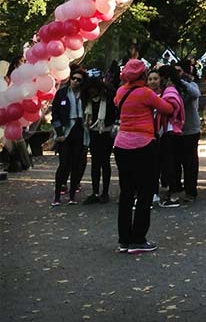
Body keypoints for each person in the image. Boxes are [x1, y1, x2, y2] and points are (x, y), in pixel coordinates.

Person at [114, 59, 175, 254]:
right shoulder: (146, 93)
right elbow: (168, 109)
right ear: (143, 75)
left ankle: (124, 240)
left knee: (126, 193)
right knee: (145, 192)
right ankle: (138, 239)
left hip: (121, 145)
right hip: (144, 145)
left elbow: (117, 103)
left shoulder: (120, 92)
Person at [51, 68, 89, 206]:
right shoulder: (62, 93)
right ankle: (57, 196)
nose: (75, 81)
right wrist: (59, 132)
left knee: (76, 164)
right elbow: (55, 113)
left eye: (79, 80)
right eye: (74, 78)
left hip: (80, 129)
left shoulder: (85, 94)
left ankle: (72, 195)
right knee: (63, 164)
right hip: (66, 130)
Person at [150, 66, 185, 208]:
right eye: (150, 79)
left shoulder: (168, 93)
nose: (154, 81)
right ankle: (166, 192)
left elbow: (171, 109)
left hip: (167, 132)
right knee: (162, 164)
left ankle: (173, 193)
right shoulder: (168, 91)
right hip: (161, 132)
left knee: (168, 164)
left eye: (157, 78)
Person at [81, 75, 115, 205]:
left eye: (94, 89)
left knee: (105, 163)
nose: (92, 92)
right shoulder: (88, 101)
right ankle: (95, 192)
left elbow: (112, 116)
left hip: (106, 133)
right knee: (95, 163)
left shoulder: (108, 99)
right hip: (94, 134)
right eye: (90, 89)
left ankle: (105, 192)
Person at [174, 62, 201, 202]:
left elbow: (196, 93)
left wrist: (181, 82)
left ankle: (191, 190)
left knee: (190, 162)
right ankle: (176, 188)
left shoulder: (191, 85)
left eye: (179, 71)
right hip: (175, 130)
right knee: (175, 161)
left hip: (190, 129)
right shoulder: (171, 87)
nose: (177, 74)